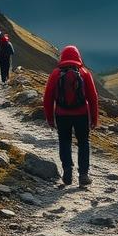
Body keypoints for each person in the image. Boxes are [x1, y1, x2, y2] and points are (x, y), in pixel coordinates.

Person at [43, 45, 99, 187]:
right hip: (81, 114)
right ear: (78, 57)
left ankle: (67, 170)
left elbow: (48, 97)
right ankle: (83, 175)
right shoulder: (84, 73)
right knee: (83, 142)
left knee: (64, 141)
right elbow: (93, 97)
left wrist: (50, 118)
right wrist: (94, 118)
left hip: (61, 114)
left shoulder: (55, 74)